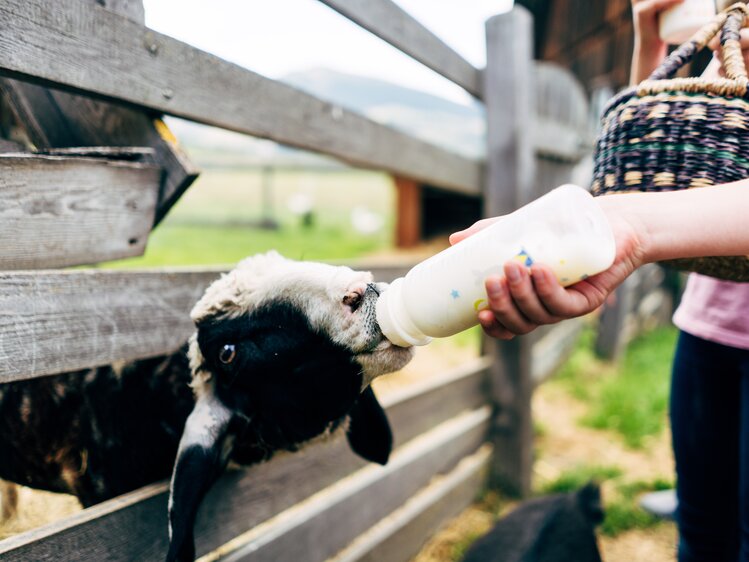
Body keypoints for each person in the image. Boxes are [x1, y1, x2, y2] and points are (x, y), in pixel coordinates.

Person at [450, 1, 749, 560]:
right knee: (704, 529)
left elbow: (642, 211)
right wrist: (647, 37)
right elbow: (659, 140)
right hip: (709, 326)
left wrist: (630, 227)